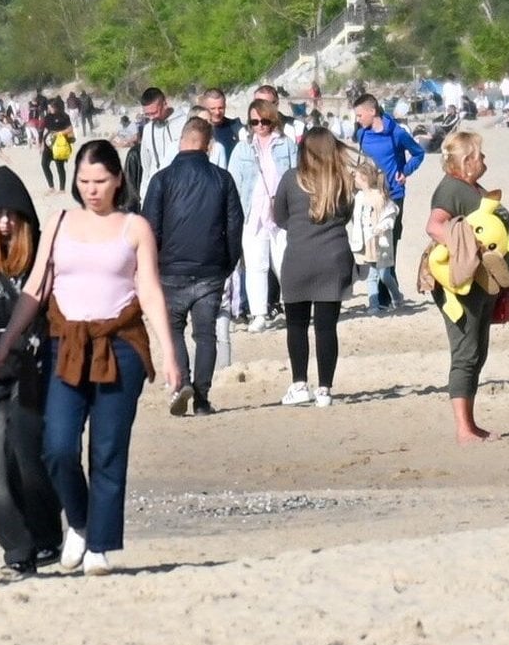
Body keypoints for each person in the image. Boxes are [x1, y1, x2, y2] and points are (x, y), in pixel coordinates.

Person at [0, 140, 181, 575]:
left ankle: (99, 545)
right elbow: (36, 288)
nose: (92, 190)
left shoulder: (135, 227)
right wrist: (5, 341)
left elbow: (149, 290)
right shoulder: (58, 222)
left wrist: (170, 353)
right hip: (67, 344)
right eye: (84, 181)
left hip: (121, 346)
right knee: (57, 447)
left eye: (100, 181)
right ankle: (78, 521)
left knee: (108, 450)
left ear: (118, 181)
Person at [0, 166, 63, 578]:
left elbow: (53, 311)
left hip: (31, 368)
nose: (5, 223)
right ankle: (16, 549)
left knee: (29, 459)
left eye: (13, 215)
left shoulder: (41, 253)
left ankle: (46, 538)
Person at [142, 116, 243, 417]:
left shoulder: (161, 179)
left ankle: (182, 382)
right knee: (206, 334)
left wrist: (152, 265)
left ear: (181, 141)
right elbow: (235, 225)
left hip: (171, 268)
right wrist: (229, 262)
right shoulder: (222, 179)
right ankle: (201, 398)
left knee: (173, 329)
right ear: (209, 145)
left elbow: (150, 228)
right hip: (211, 268)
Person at [426, 131, 509, 443]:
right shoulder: (450, 188)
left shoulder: (470, 187)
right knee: (465, 352)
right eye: (480, 155)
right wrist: (466, 247)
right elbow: (434, 225)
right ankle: (463, 430)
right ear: (466, 161)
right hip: (461, 285)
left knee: (478, 352)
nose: (484, 160)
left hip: (483, 283)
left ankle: (471, 424)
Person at [270, 127, 355, 407]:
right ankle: (325, 390)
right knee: (326, 327)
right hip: (334, 258)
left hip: (299, 257)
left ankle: (299, 384)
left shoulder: (290, 179)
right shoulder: (342, 181)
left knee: (296, 324)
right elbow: (346, 217)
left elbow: (280, 217)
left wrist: (300, 226)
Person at [229, 99, 296, 331]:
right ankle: (259, 314)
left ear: (273, 119)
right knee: (256, 266)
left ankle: (293, 308)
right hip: (252, 214)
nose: (260, 126)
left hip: (281, 215)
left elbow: (296, 176)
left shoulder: (287, 145)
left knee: (285, 264)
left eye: (265, 121)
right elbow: (234, 182)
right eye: (255, 122)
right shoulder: (242, 148)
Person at [351, 94, 423, 309]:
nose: (357, 119)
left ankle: (387, 295)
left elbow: (419, 153)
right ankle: (386, 296)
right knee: (373, 243)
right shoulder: (362, 134)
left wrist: (406, 171)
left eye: (360, 115)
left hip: (394, 195)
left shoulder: (397, 133)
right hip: (371, 196)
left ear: (373, 112)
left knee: (390, 244)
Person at [349, 161, 398, 315]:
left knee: (385, 275)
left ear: (364, 177)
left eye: (356, 176)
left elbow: (392, 212)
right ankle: (374, 304)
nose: (354, 179)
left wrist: (382, 227)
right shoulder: (359, 197)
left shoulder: (380, 195)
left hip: (381, 242)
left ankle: (397, 296)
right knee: (371, 275)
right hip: (367, 241)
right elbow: (355, 219)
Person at [133, 86, 185, 203]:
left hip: (181, 190)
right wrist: (143, 198)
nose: (151, 118)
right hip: (156, 192)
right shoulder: (147, 130)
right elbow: (146, 166)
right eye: (148, 114)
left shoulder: (184, 123)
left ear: (165, 103)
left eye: (154, 112)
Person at [39, 96, 75, 195]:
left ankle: (62, 189)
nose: (49, 108)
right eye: (48, 107)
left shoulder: (64, 116)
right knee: (44, 164)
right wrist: (41, 143)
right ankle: (51, 187)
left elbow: (70, 129)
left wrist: (59, 133)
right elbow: (44, 130)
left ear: (55, 106)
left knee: (60, 166)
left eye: (50, 106)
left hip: (60, 144)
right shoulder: (47, 117)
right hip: (48, 144)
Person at [201, 88, 242, 161]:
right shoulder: (199, 131)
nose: (217, 112)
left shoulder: (236, 127)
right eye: (212, 109)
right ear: (204, 108)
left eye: (221, 108)